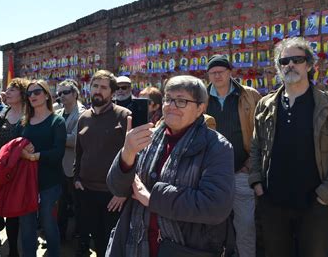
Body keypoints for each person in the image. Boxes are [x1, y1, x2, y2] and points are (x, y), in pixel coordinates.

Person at [105, 75, 235, 257]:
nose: (171, 106)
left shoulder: (217, 147)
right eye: (168, 99)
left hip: (184, 248)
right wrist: (128, 152)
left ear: (200, 108)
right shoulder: (147, 138)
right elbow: (117, 188)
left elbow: (215, 207)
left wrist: (152, 198)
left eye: (181, 101)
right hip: (135, 245)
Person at [249, 37, 328, 257]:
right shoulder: (265, 105)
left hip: (314, 205)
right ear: (279, 67)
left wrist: (323, 196)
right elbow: (257, 147)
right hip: (273, 202)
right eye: (284, 61)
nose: (290, 65)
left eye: (297, 59)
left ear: (309, 64)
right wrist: (257, 184)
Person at [205, 55, 261, 257]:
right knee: (211, 225)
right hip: (210, 175)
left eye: (221, 71)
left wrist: (249, 164)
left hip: (241, 171)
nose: (217, 75)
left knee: (245, 225)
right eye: (213, 72)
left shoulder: (249, 95)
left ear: (230, 72)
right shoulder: (201, 98)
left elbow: (260, 134)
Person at [74, 70, 130, 256]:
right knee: (96, 241)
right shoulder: (84, 118)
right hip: (87, 191)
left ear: (112, 92)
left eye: (103, 87)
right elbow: (79, 151)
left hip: (114, 195)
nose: (98, 90)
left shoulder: (124, 116)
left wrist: (123, 191)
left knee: (113, 244)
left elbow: (137, 156)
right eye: (95, 86)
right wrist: (77, 178)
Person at [19, 80, 66, 257]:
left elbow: (58, 152)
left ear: (46, 94)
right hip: (26, 182)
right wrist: (21, 150)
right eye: (29, 94)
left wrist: (34, 155)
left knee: (48, 224)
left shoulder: (57, 121)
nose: (32, 96)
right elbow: (13, 146)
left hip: (49, 182)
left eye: (36, 92)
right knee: (27, 226)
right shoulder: (24, 122)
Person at [0, 77, 29, 257]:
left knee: (15, 215)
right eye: (8, 89)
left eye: (13, 89)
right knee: (0, 210)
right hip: (0, 173)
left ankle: (14, 251)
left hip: (20, 174)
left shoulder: (30, 118)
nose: (7, 91)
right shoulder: (1, 115)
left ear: (23, 93)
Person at [54, 79, 86, 240]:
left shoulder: (81, 113)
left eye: (66, 92)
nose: (62, 96)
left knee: (77, 204)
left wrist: (55, 137)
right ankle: (60, 235)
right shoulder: (58, 112)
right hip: (58, 166)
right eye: (59, 93)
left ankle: (80, 238)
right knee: (60, 204)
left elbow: (75, 140)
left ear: (75, 93)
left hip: (73, 167)